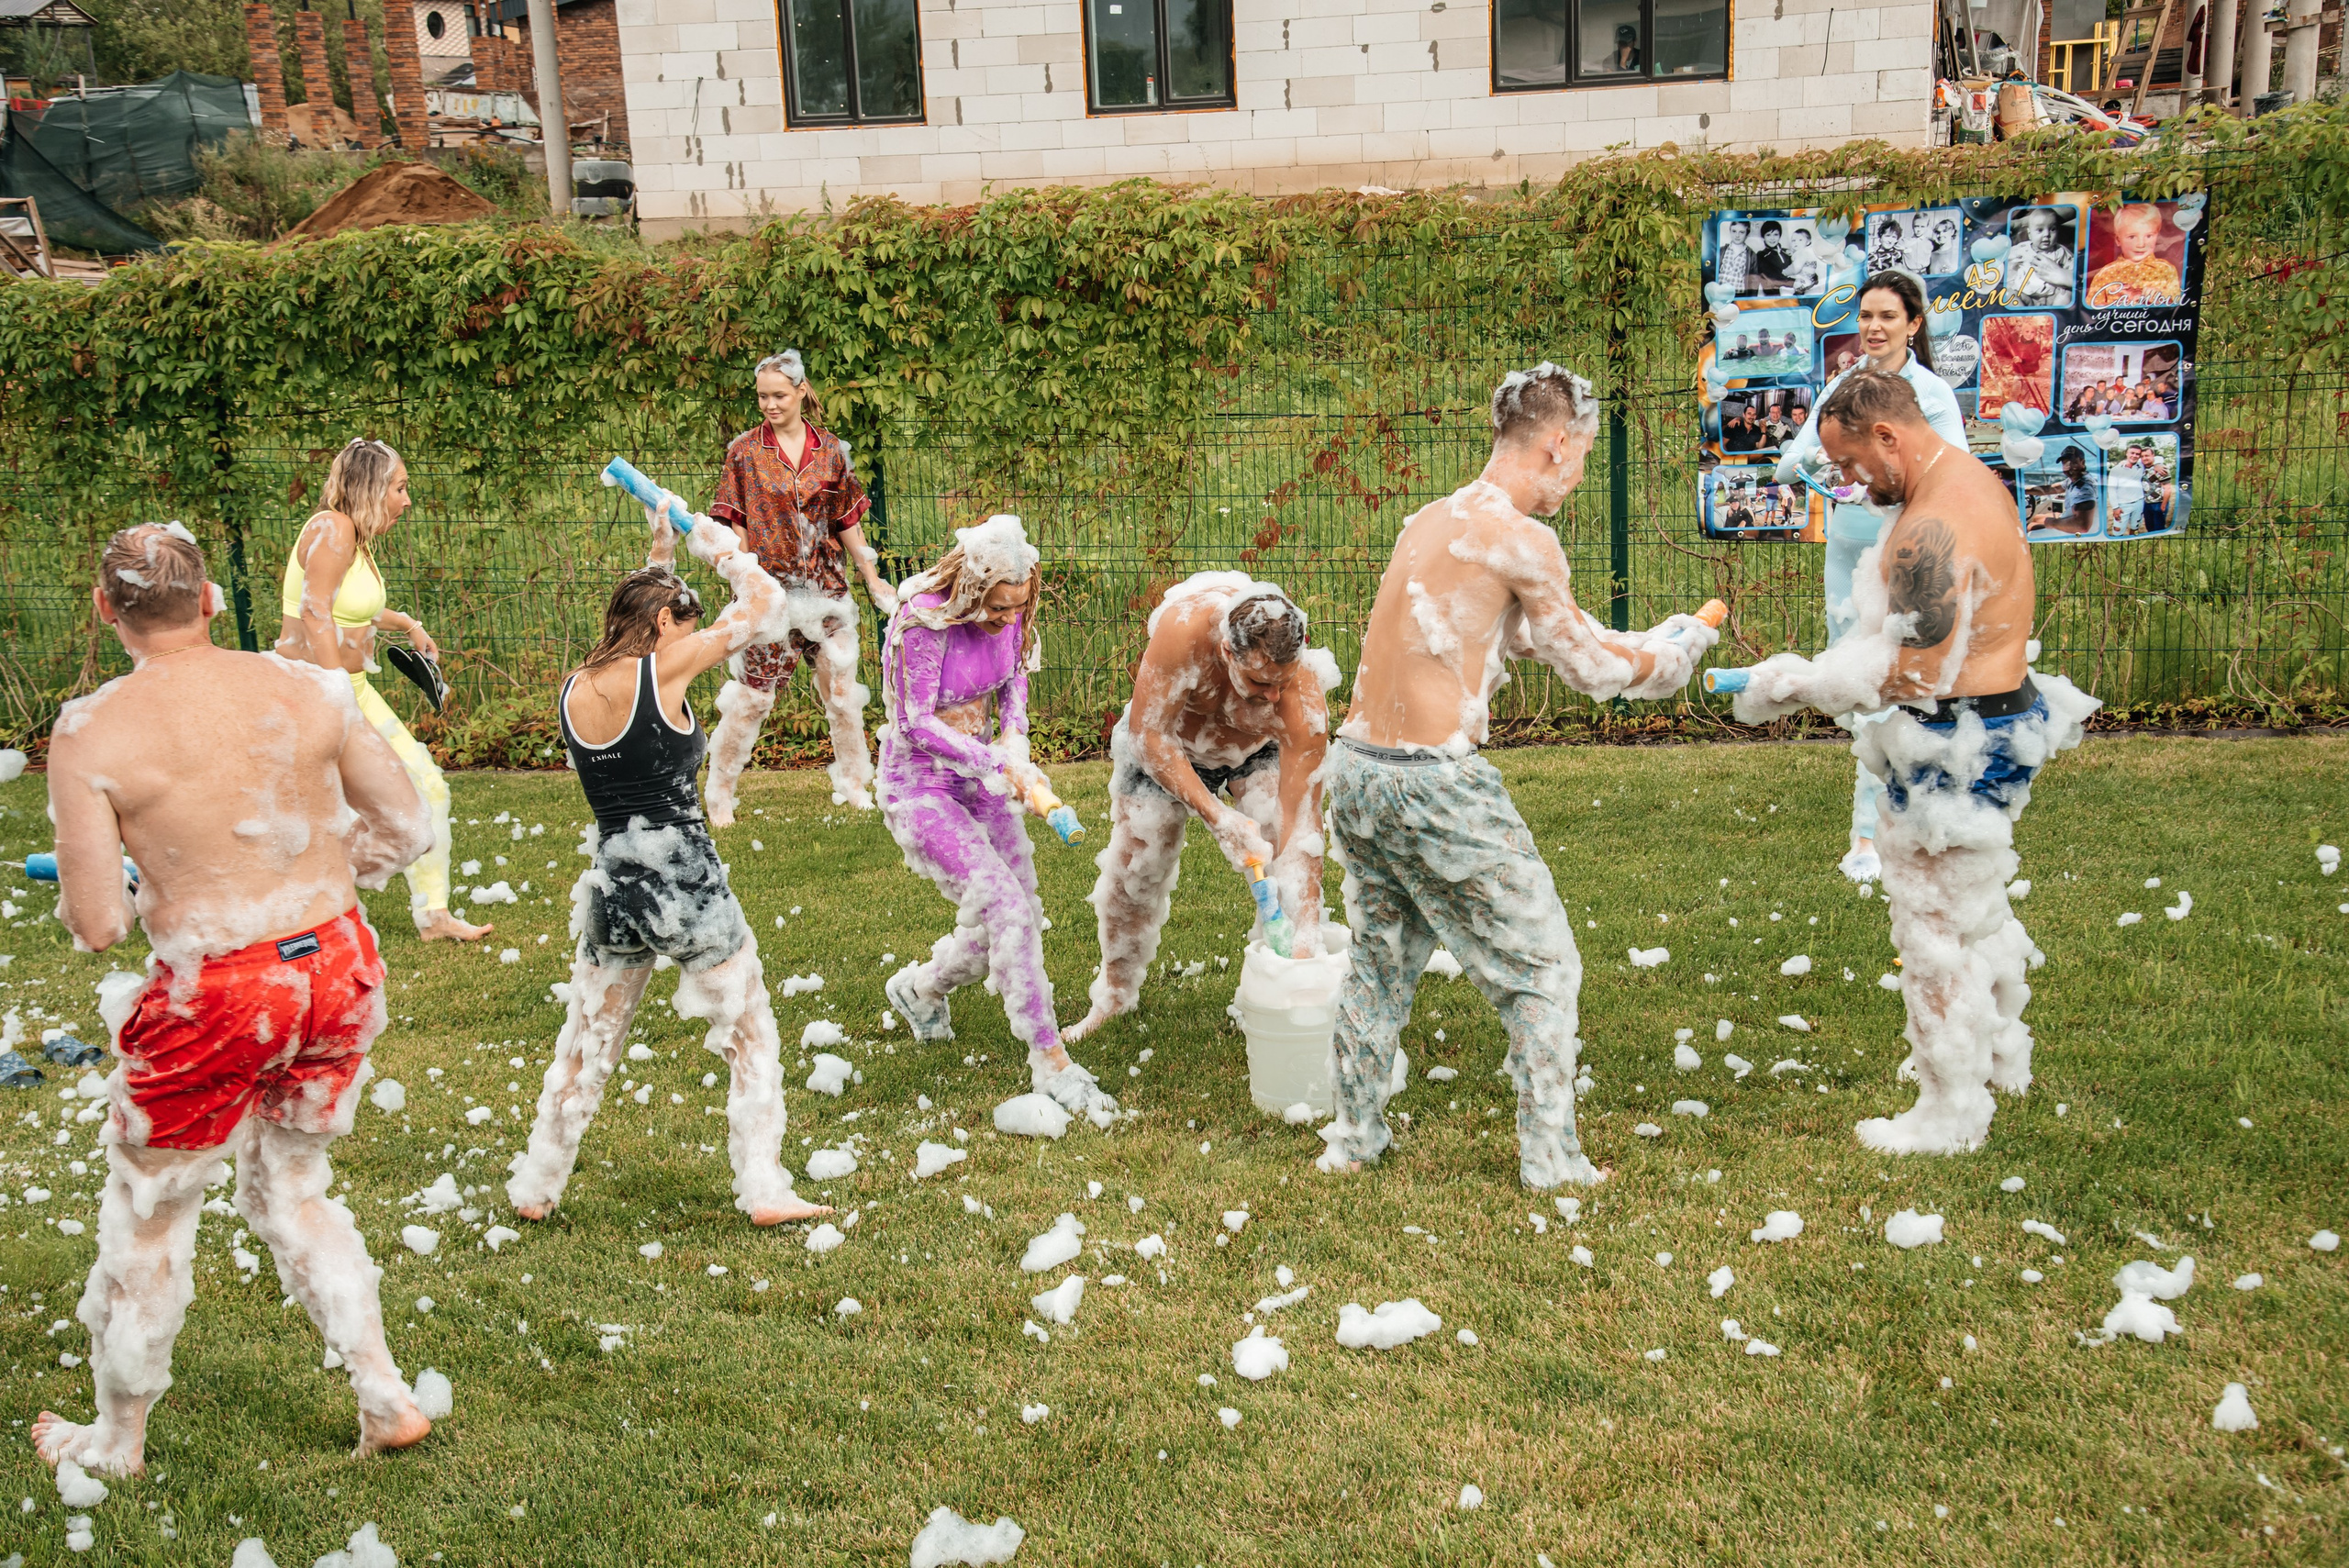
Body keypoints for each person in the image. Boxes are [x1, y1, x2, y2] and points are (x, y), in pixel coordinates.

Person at [36, 524, 437, 1477]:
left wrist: (149, 885)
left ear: (107, 611)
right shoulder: (307, 686)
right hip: (336, 964)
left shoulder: (91, 730)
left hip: (214, 986)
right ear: (212, 598)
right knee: (293, 1187)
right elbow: (409, 825)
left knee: (152, 1207)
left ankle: (117, 1442)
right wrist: (322, 888)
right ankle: (385, 1395)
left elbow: (95, 925)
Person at [1315, 364, 1720, 1190]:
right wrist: (1672, 659)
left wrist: (1651, 637)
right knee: (1543, 968)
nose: (1575, 479)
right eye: (1580, 458)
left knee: (1379, 961)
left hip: (1355, 771)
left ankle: (1353, 1138)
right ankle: (1551, 1158)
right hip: (1433, 785)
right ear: (1558, 443)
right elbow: (1589, 668)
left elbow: (1525, 635)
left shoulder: (1431, 521)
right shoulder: (1523, 538)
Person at [1727, 371, 2099, 1155]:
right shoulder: (1968, 479)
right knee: (1974, 910)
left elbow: (1920, 669)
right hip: (1995, 717)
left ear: (1889, 435)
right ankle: (1996, 1059)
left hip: (1958, 738)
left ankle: (1947, 1111)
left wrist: (1803, 684)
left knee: (1930, 927)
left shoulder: (1931, 527)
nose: (1849, 482)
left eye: (1855, 462)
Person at [509, 503, 829, 1227]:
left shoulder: (575, 685)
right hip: (682, 876)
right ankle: (765, 1187)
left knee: (589, 1040)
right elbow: (766, 604)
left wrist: (663, 549)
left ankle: (536, 1185)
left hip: (613, 880)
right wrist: (722, 550)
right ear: (662, 628)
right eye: (679, 622)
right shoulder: (667, 664)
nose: (688, 634)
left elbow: (651, 603)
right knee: (749, 1028)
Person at [877, 516, 1119, 1125]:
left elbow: (1012, 692)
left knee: (1017, 917)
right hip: (920, 787)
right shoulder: (921, 625)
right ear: (970, 588)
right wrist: (993, 758)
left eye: (1018, 607)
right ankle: (1052, 1060)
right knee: (1004, 909)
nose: (1007, 618)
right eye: (996, 607)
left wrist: (1014, 748)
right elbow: (915, 723)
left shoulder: (1012, 626)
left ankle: (922, 988)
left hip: (985, 778)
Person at [1062, 575, 1333, 1045]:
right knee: (1138, 867)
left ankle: (1276, 983)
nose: (1273, 695)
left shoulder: (1302, 697)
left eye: (1282, 683)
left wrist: (1307, 927)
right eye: (1258, 681)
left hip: (1256, 750)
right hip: (1169, 746)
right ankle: (1114, 996)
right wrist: (1218, 818)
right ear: (1228, 651)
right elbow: (1150, 736)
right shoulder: (1183, 631)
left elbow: (1303, 821)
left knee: (1278, 845)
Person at [1776, 272, 1967, 882]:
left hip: (1909, 559)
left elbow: (1950, 474)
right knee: (1864, 692)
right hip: (1849, 561)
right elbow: (1791, 462)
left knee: (1908, 688)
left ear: (1913, 324)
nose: (1874, 327)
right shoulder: (1842, 385)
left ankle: (1888, 833)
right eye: (1866, 317)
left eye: (1888, 316)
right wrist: (1810, 462)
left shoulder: (1930, 395)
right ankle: (1877, 829)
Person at [278, 439, 486, 942]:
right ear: (372, 488)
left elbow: (355, 608)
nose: (407, 499)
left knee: (427, 786)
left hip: (349, 688)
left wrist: (409, 624)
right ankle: (296, 902)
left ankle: (433, 915)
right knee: (313, 811)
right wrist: (336, 698)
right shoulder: (332, 529)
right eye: (400, 487)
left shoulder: (353, 536)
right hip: (313, 694)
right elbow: (314, 613)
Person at [701, 350, 900, 823]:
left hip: (828, 591)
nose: (769, 405)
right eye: (762, 397)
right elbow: (734, 519)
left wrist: (870, 574)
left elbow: (846, 519)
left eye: (779, 396)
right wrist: (742, 572)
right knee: (752, 698)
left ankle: (855, 785)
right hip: (770, 595)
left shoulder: (830, 449)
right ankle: (720, 794)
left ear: (801, 391)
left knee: (843, 694)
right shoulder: (745, 451)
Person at [2086, 203, 2184, 308]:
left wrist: (2161, 298)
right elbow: (2090, 310)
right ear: (2118, 240)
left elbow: (2177, 309)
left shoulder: (2166, 270)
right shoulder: (2105, 274)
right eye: (2132, 237)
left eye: (2149, 236)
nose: (2141, 244)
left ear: (2157, 236)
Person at [2005, 208, 2076, 309]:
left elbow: (2073, 270)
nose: (2047, 234)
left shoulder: (2061, 251)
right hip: (2027, 296)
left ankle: (2056, 315)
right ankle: (2023, 317)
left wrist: (2064, 279)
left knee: (2067, 294)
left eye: (2053, 229)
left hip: (2052, 297)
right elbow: (2006, 264)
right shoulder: (2021, 249)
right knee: (2007, 294)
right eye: (2040, 230)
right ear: (2029, 234)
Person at [1751, 222, 1795, 295]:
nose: (1772, 238)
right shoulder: (1761, 255)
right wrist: (1795, 282)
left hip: (1795, 293)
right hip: (1775, 296)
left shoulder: (1788, 252)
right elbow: (1773, 278)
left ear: (1780, 236)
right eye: (1768, 235)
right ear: (1763, 237)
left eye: (1775, 234)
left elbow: (1802, 269)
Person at [1715, 218, 1751, 296]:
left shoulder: (1751, 255)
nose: (1737, 235)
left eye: (1741, 232)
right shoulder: (1721, 250)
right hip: (1721, 293)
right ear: (1730, 231)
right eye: (1734, 231)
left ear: (1747, 234)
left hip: (1739, 294)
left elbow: (1754, 279)